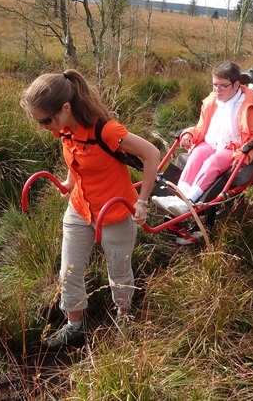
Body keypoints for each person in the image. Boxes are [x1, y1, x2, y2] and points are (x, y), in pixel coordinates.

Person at [21, 69, 161, 349]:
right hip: (80, 208)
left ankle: (123, 316)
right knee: (68, 272)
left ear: (66, 108)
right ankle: (74, 326)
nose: (41, 127)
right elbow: (76, 159)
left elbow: (152, 154)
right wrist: (70, 183)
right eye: (38, 121)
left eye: (45, 121)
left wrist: (142, 201)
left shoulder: (106, 130)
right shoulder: (62, 129)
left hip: (115, 211)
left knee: (118, 273)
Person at [151, 61, 253, 216]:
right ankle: (179, 197)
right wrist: (190, 133)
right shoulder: (212, 100)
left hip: (232, 148)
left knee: (213, 162)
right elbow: (201, 127)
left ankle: (189, 201)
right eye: (214, 85)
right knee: (196, 155)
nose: (217, 90)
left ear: (236, 84)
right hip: (210, 142)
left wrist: (241, 156)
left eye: (222, 86)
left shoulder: (249, 106)